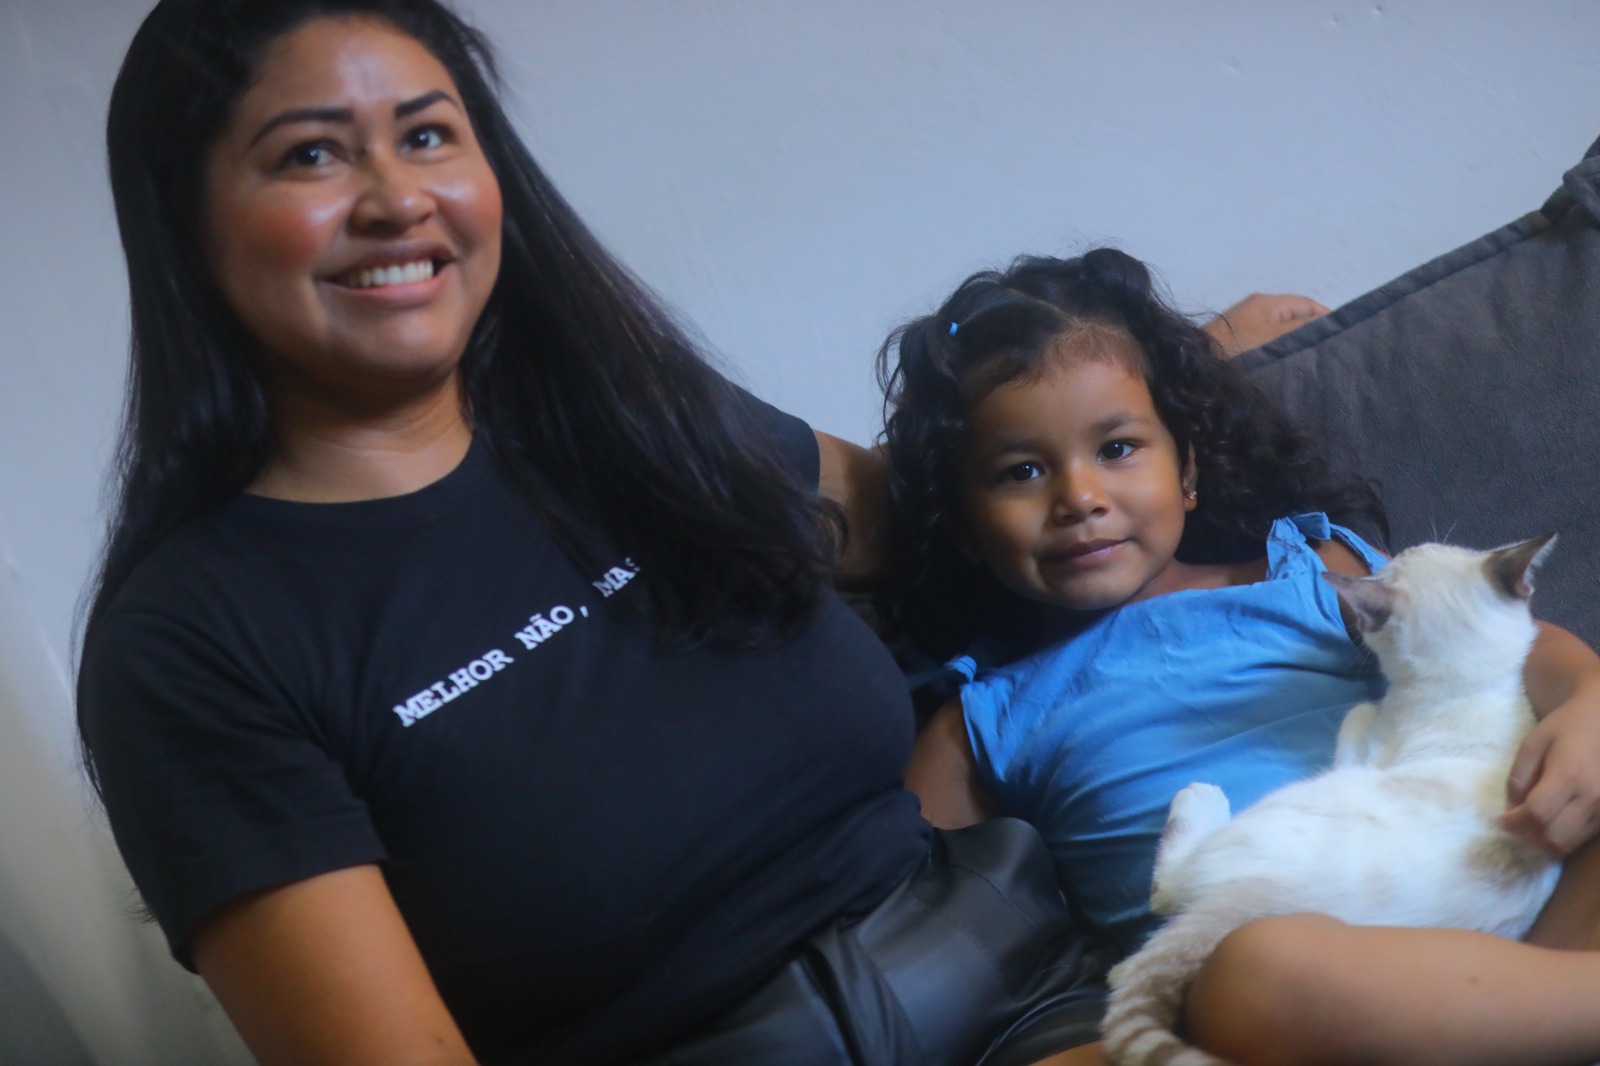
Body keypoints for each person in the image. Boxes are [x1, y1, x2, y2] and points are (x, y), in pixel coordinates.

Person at [76, 2, 1134, 1064]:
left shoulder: (628, 417)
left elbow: (971, 513)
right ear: (186, 217)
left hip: (1034, 999)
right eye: (311, 154)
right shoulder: (186, 648)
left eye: (429, 134)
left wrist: (1172, 385)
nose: (398, 199)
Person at [877, 248, 1600, 1065]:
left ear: (1186, 470)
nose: (1079, 497)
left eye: (1117, 449)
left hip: (1498, 906)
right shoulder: (978, 722)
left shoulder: (1306, 572)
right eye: (1024, 470)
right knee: (1263, 968)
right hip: (1273, 1000)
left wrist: (1589, 703)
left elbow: (1506, 645)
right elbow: (898, 926)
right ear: (965, 527)